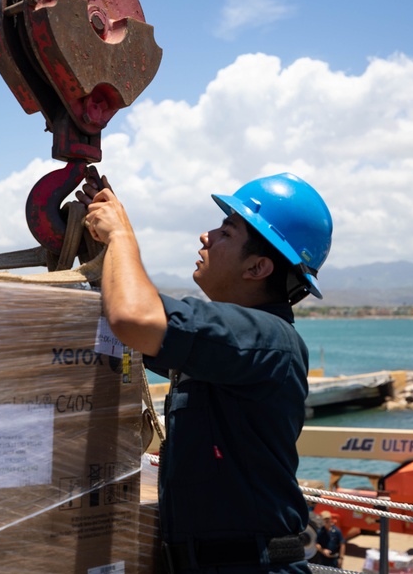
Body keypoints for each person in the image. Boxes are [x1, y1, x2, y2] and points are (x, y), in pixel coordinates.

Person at [78, 172, 333, 574]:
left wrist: (122, 239)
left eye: (226, 232)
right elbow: (129, 329)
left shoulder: (264, 339)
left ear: (258, 267)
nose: (206, 236)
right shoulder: (230, 341)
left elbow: (133, 317)